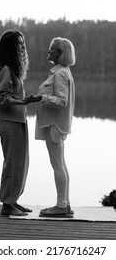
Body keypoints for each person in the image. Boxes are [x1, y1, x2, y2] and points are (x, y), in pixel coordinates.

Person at [0, 29, 41, 216]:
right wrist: (23, 101)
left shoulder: (13, 70)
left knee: (21, 163)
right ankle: (7, 204)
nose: (22, 46)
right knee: (12, 163)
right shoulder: (5, 69)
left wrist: (24, 103)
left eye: (23, 43)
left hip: (18, 121)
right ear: (10, 47)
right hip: (9, 122)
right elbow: (2, 98)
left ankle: (13, 200)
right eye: (18, 43)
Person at [35, 37, 76, 218]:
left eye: (52, 49)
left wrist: (41, 98)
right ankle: (65, 204)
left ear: (60, 54)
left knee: (57, 165)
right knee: (61, 164)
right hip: (56, 125)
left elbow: (62, 101)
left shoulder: (60, 74)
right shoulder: (62, 72)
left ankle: (61, 206)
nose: (48, 51)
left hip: (55, 126)